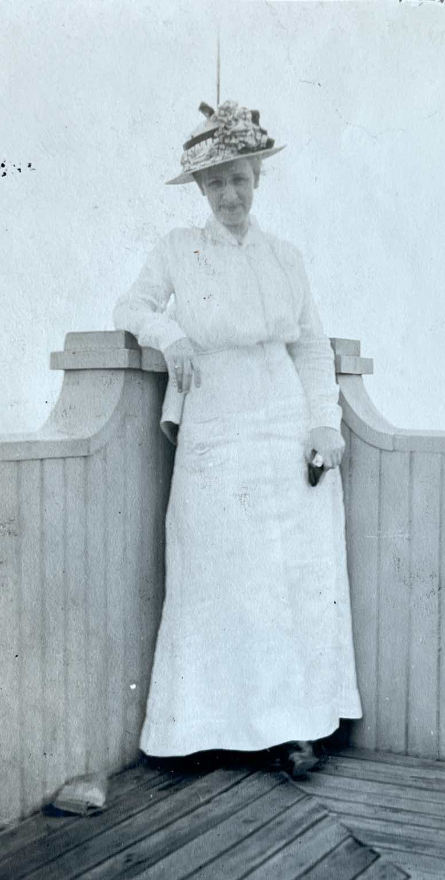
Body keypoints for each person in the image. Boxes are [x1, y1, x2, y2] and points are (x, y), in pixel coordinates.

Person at [114, 100, 362, 777]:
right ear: (201, 187)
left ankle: (295, 729)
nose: (230, 194)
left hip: (283, 423)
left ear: (258, 180)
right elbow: (131, 307)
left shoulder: (286, 258)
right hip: (216, 424)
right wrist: (170, 335)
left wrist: (324, 423)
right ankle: (204, 731)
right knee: (216, 571)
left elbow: (310, 347)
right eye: (218, 182)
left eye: (241, 179)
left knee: (288, 577)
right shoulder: (178, 250)